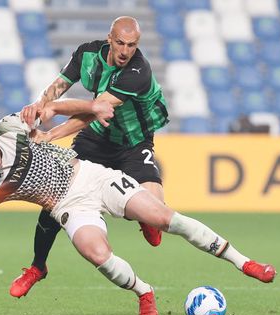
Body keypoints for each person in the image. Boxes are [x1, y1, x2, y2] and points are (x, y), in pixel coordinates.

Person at [0, 110, 277, 315]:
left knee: (164, 217)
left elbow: (44, 106)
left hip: (93, 177)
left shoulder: (8, 127)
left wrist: (62, 107)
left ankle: (244, 262)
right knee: (97, 254)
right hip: (68, 207)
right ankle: (144, 292)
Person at [11, 16, 171, 298]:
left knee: (160, 215)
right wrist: (40, 104)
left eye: (131, 45)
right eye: (120, 43)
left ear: (138, 44)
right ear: (110, 38)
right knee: (55, 196)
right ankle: (37, 267)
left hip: (134, 142)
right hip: (96, 139)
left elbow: (93, 110)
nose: (124, 51)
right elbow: (60, 83)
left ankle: (146, 218)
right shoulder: (87, 54)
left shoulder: (139, 71)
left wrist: (50, 133)